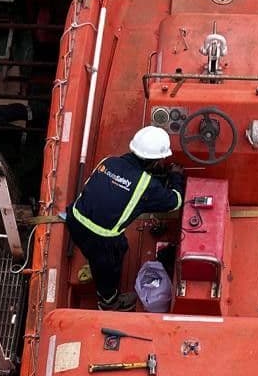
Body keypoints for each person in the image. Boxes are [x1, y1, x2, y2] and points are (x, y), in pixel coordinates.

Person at [67, 125, 185, 311]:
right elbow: (175, 201)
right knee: (108, 271)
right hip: (102, 240)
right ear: (154, 161)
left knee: (116, 247)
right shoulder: (145, 185)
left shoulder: (109, 161)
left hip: (74, 219)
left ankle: (93, 262)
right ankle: (109, 302)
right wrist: (176, 178)